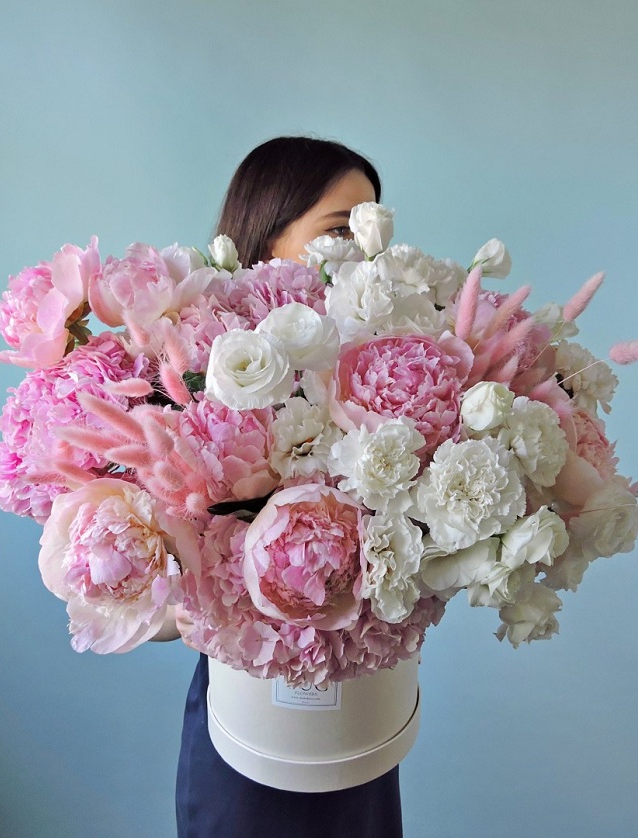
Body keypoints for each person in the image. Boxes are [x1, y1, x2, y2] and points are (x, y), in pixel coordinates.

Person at [170, 136, 404, 838]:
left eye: (371, 226)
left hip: (362, 713)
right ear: (268, 237)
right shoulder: (196, 369)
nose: (365, 248)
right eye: (340, 229)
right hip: (248, 717)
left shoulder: (392, 367)